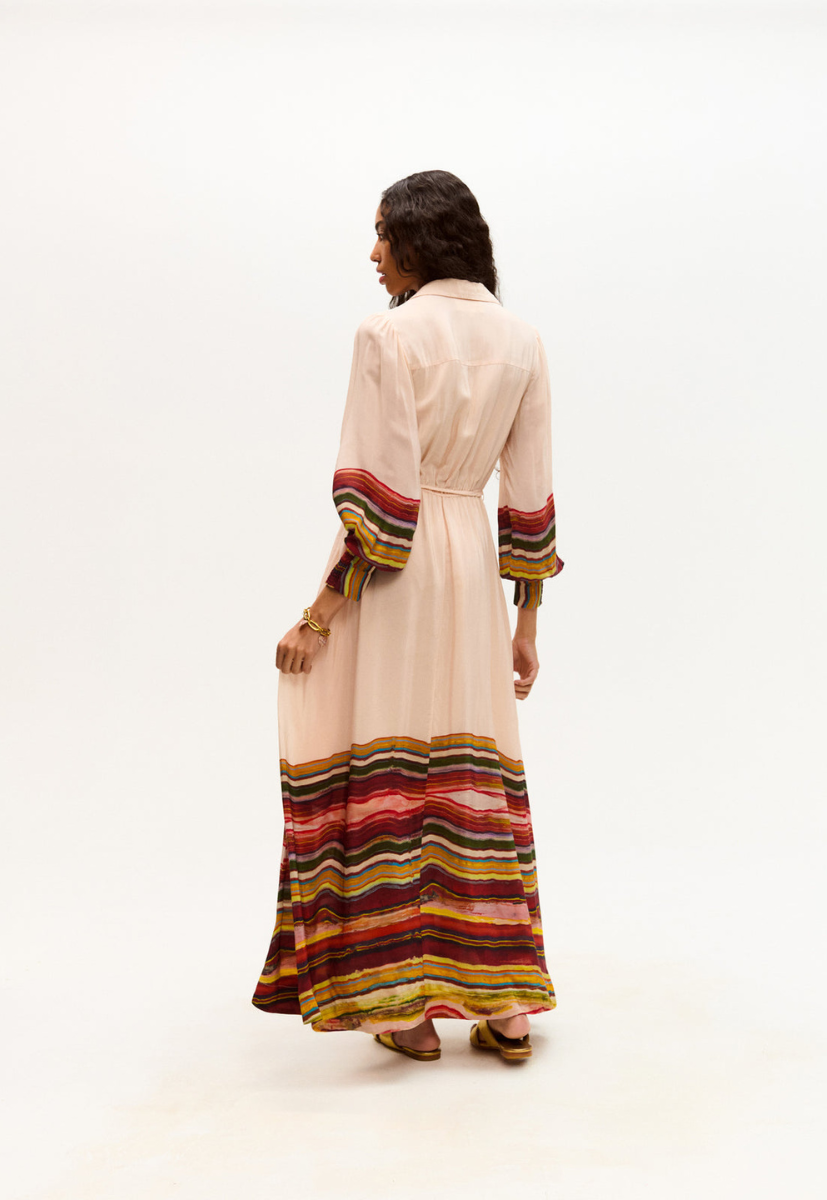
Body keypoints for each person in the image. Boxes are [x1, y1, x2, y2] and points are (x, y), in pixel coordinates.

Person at [251, 170, 564, 1063]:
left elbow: (383, 506)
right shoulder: (523, 341)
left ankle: (403, 1008)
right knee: (470, 770)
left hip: (397, 573)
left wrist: (317, 615)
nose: (374, 253)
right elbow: (531, 497)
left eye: (384, 234)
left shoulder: (386, 334)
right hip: (470, 573)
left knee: (381, 766)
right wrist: (527, 625)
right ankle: (507, 1004)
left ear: (421, 241)